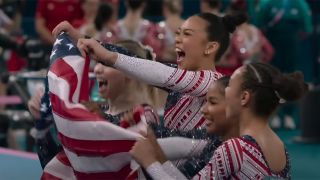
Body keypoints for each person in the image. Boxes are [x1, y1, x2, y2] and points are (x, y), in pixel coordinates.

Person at [53, 12, 247, 132]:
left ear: (210, 47)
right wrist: (81, 37)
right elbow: (138, 61)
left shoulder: (213, 82)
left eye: (186, 34)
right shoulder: (179, 81)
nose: (177, 40)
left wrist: (109, 57)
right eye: (178, 33)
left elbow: (159, 73)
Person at [130, 62, 306, 179]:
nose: (225, 90)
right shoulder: (281, 148)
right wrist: (161, 159)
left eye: (229, 85)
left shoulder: (236, 149)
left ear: (244, 97)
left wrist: (150, 163)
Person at [217, 0, 274, 75]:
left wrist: (251, 53)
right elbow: (270, 51)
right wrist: (262, 61)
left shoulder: (237, 33)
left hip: (241, 71)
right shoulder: (255, 30)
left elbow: (242, 53)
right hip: (255, 69)